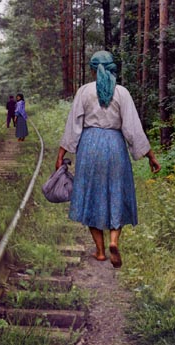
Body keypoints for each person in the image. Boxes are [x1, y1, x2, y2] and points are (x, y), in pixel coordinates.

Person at [55, 50, 160, 268]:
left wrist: (61, 155)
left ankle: (100, 251)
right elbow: (132, 128)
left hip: (90, 147)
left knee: (90, 195)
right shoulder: (122, 93)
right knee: (117, 193)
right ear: (112, 68)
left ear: (93, 70)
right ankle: (114, 241)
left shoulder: (84, 92)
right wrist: (150, 156)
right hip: (115, 146)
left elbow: (73, 127)